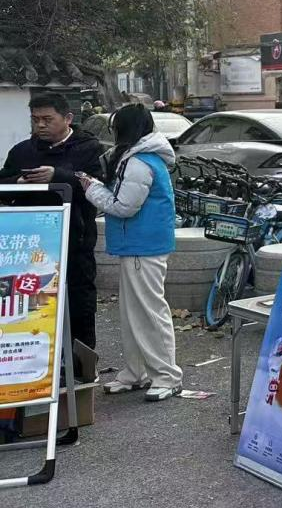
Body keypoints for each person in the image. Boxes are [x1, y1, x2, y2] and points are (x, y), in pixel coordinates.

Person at [80, 104, 182, 401]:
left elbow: (123, 206)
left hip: (143, 246)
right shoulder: (140, 157)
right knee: (133, 311)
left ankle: (166, 375)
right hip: (140, 244)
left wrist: (91, 188)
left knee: (149, 312)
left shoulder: (139, 162)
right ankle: (136, 372)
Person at [3, 92, 105, 360]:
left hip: (74, 242)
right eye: (35, 120)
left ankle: (81, 370)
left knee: (78, 305)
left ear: (68, 118)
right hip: (31, 248)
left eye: (48, 119)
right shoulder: (22, 150)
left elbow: (100, 187)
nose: (40, 126)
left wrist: (58, 176)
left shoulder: (88, 148)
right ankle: (35, 366)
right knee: (33, 305)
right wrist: (19, 183)